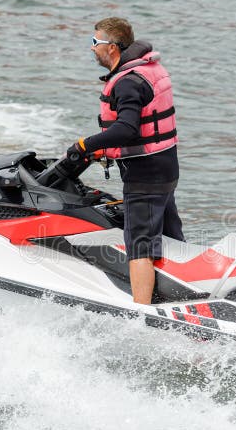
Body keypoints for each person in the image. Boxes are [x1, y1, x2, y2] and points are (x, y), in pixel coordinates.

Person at [66, 17, 184, 305]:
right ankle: (185, 293)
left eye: (96, 43)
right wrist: (102, 151)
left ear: (113, 48)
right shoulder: (147, 70)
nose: (92, 48)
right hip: (165, 167)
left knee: (139, 246)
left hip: (144, 176)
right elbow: (142, 129)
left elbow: (127, 128)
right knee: (171, 236)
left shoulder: (127, 83)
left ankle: (141, 314)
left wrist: (86, 144)